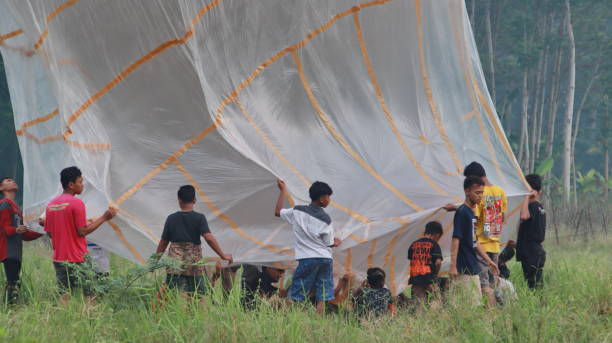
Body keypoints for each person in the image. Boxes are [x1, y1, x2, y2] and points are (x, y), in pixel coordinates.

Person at [44, 166, 116, 302]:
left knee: (64, 294)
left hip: (59, 258)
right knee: (90, 294)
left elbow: (49, 233)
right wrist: (104, 217)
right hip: (78, 258)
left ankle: (61, 320)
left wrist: (64, 235)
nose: (82, 185)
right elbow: (82, 231)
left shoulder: (51, 205)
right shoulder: (77, 203)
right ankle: (90, 320)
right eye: (80, 182)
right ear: (71, 185)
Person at [275, 180, 341, 315]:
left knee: (297, 291)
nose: (329, 200)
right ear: (322, 199)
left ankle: (287, 319)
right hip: (325, 259)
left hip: (308, 258)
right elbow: (328, 243)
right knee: (322, 294)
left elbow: (277, 212)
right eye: (328, 197)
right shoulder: (326, 219)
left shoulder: (297, 211)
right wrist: (336, 242)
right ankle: (319, 321)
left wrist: (283, 191)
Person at [445, 162, 507, 306]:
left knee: (483, 286)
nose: (480, 195)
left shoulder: (479, 198)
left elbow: (473, 217)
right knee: (491, 284)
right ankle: (492, 315)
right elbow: (502, 218)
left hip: (481, 246)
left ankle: (489, 314)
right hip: (495, 244)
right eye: (478, 193)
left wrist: (454, 208)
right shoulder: (501, 192)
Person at [155, 185, 233, 295]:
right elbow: (209, 238)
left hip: (175, 263)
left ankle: (157, 311)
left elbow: (163, 242)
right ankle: (191, 311)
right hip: (193, 264)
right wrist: (223, 256)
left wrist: (154, 262)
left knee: (169, 292)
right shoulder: (199, 218)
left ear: (179, 200)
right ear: (194, 200)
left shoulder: (171, 218)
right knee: (197, 295)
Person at [0, 177, 43, 304]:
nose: (13, 181)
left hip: (15, 250)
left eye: (13, 180)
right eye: (8, 181)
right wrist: (16, 230)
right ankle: (10, 308)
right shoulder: (5, 204)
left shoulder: (17, 208)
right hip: (8, 249)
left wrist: (42, 232)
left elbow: (25, 234)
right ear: (1, 188)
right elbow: (4, 228)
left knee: (14, 280)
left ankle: (10, 307)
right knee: (13, 281)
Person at [516, 174, 546, 289]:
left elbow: (523, 216)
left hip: (531, 252)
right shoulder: (540, 207)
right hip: (535, 250)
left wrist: (526, 197)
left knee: (532, 284)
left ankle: (537, 304)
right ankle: (539, 304)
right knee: (536, 283)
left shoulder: (532, 206)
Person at [407, 221, 443, 304]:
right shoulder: (434, 244)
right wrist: (435, 274)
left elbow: (412, 261)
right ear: (437, 235)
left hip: (415, 277)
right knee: (436, 298)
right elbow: (438, 263)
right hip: (429, 277)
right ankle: (436, 315)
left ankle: (421, 316)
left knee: (419, 302)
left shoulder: (413, 244)